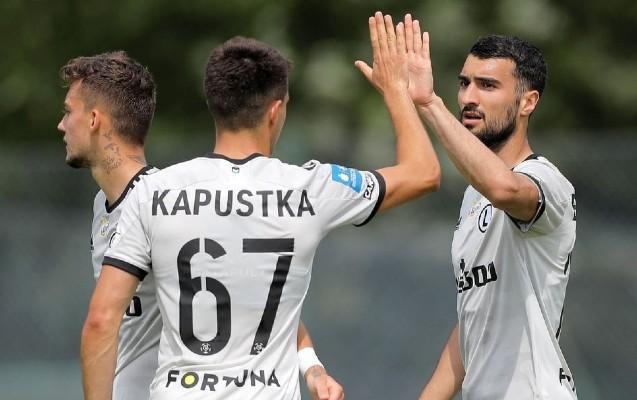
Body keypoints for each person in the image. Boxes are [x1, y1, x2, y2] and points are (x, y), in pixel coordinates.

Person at [80, 16, 440, 400]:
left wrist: (312, 367)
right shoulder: (309, 188)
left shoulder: (154, 192)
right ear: (275, 110)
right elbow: (423, 173)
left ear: (213, 103)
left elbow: (102, 320)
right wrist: (396, 90)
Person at [58, 51, 344, 400]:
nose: (61, 124)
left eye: (68, 112)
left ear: (93, 120)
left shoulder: (164, 206)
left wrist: (312, 368)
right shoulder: (103, 205)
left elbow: (255, 299)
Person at [371, 13, 576, 400]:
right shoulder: (473, 197)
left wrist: (428, 103)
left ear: (528, 102)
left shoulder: (548, 182)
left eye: (487, 85)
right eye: (464, 83)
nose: (468, 98)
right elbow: (472, 324)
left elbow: (505, 188)